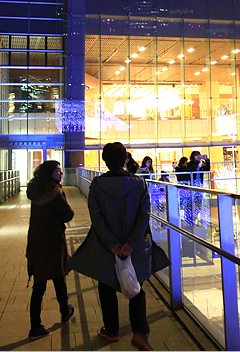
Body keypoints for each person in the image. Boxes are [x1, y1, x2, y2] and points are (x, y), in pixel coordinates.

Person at [68, 142, 169, 352]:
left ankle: (111, 330)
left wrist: (112, 244)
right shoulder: (139, 184)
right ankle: (140, 332)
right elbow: (144, 215)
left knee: (106, 285)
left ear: (105, 161)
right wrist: (131, 243)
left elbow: (96, 218)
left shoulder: (96, 185)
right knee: (137, 286)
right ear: (125, 160)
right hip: (135, 246)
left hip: (107, 246)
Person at [25, 160, 75, 339]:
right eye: (58, 171)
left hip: (37, 241)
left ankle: (35, 325)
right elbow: (68, 214)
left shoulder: (36, 191)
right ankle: (63, 310)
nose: (61, 174)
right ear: (50, 173)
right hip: (53, 241)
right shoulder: (55, 192)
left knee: (39, 284)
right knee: (58, 276)